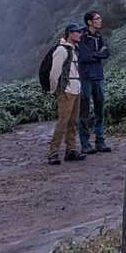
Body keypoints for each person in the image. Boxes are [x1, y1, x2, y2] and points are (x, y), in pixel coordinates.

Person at [46, 23, 85, 165]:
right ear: (70, 33)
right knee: (63, 122)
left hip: (76, 89)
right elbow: (54, 73)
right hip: (67, 91)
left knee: (73, 122)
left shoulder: (73, 49)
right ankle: (53, 153)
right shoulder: (61, 50)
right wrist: (54, 90)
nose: (80, 34)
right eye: (77, 32)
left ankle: (71, 150)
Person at [78, 8, 113, 154]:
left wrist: (94, 54)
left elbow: (107, 53)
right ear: (89, 22)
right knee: (84, 111)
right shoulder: (82, 36)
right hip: (85, 77)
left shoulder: (99, 36)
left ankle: (100, 141)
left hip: (98, 76)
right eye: (97, 18)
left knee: (100, 110)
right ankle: (85, 144)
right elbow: (84, 56)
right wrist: (98, 54)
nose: (100, 20)